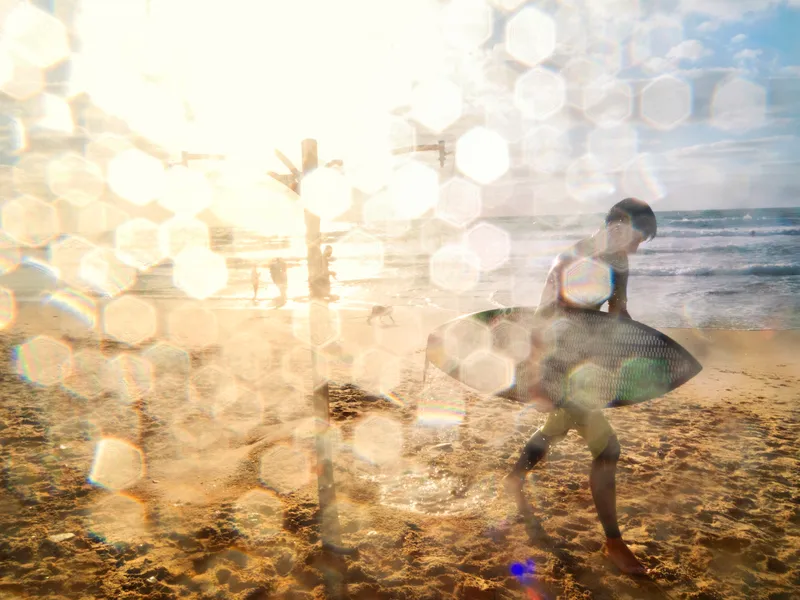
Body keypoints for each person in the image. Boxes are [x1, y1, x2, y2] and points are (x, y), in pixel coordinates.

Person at [503, 198, 658, 576]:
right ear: (618, 225)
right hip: (559, 364)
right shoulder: (574, 258)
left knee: (556, 428)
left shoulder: (620, 263)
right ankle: (613, 543)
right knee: (608, 450)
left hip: (584, 365)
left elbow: (617, 314)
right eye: (638, 238)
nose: (638, 247)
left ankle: (513, 479)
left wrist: (638, 346)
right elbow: (549, 317)